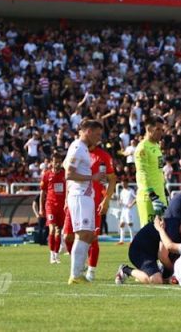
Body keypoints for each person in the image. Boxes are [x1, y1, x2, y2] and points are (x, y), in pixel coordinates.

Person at [64, 119, 104, 284]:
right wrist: (92, 177)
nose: (99, 138)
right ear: (88, 131)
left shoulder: (82, 148)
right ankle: (75, 275)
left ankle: (78, 274)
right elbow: (68, 174)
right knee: (82, 234)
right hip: (80, 195)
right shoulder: (78, 147)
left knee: (88, 234)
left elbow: (65, 164)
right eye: (97, 134)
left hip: (85, 195)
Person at [118, 214, 181, 285]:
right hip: (140, 252)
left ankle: (162, 273)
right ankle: (126, 270)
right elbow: (162, 256)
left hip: (152, 253)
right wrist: (176, 272)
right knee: (156, 280)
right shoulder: (173, 229)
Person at [85, 135, 116, 282]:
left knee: (93, 237)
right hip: (77, 201)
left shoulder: (103, 156)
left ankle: (91, 270)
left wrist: (106, 199)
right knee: (69, 237)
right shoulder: (77, 151)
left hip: (94, 201)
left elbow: (111, 179)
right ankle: (81, 264)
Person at [134, 116, 167, 226]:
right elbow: (142, 173)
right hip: (149, 198)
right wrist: (153, 196)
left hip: (160, 195)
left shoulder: (157, 146)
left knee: (162, 235)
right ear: (148, 129)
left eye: (162, 129)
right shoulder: (142, 148)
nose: (161, 132)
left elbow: (158, 170)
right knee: (148, 235)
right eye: (158, 129)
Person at [38, 153, 67, 263]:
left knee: (58, 231)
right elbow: (42, 192)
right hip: (50, 205)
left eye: (59, 161)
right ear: (51, 162)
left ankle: (56, 254)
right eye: (55, 161)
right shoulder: (46, 175)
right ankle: (51, 255)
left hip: (62, 206)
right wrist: (41, 207)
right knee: (52, 229)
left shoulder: (65, 174)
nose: (57, 163)